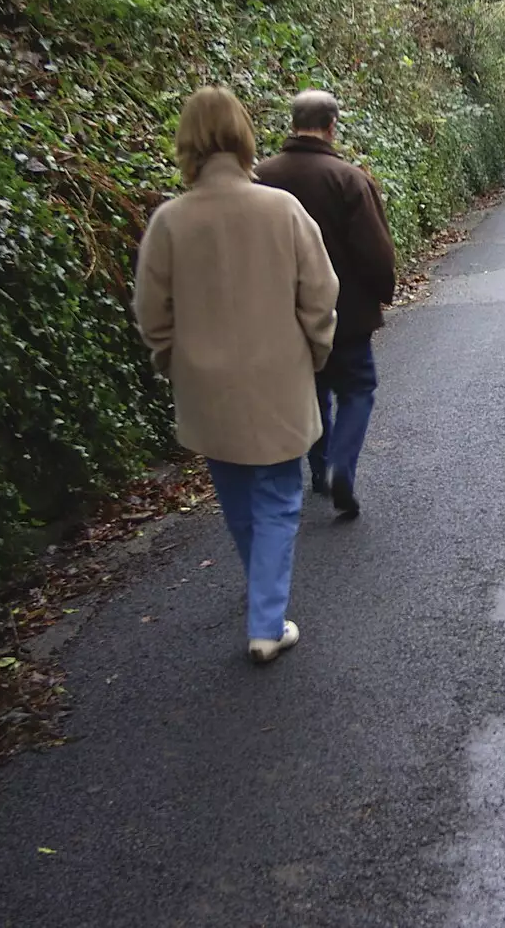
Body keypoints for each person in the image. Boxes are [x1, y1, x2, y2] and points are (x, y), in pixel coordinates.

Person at [134, 87, 339, 662]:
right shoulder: (282, 211)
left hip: (206, 390)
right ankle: (266, 623)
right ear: (245, 137)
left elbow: (152, 313)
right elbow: (320, 296)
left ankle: (264, 608)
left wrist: (172, 360)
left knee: (237, 498)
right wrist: (316, 350)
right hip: (277, 379)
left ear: (187, 142)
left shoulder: (170, 222)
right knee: (277, 496)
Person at [255, 90, 397, 519]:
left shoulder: (259, 179)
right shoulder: (349, 180)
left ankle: (319, 470)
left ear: (292, 122)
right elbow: (376, 253)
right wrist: (381, 292)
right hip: (346, 314)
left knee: (311, 391)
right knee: (357, 390)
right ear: (332, 126)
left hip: (283, 315)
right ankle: (341, 465)